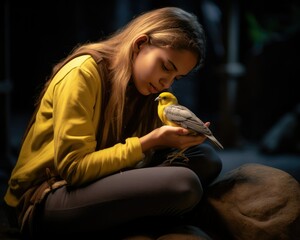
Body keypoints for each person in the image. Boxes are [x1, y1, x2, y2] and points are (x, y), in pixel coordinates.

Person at [4, 6, 222, 239]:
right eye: (166, 67)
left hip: (102, 180)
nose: (166, 82)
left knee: (205, 160)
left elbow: (137, 160)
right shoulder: (82, 73)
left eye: (176, 77)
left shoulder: (145, 88)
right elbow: (75, 170)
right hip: (49, 196)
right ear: (140, 44)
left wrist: (176, 139)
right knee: (184, 185)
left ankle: (130, 220)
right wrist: (149, 142)